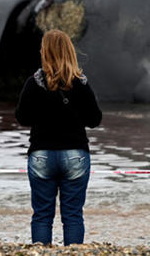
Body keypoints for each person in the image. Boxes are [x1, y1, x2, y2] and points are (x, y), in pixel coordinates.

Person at [15, 29, 103, 246]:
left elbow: (21, 117)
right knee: (73, 215)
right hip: (75, 154)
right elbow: (95, 119)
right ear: (70, 51)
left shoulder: (34, 82)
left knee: (42, 215)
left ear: (44, 52)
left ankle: (41, 251)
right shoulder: (80, 83)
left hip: (41, 154)